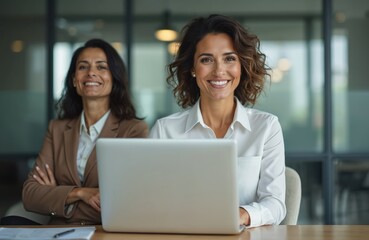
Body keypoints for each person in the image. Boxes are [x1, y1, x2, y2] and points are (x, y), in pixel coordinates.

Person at [149, 14, 286, 228]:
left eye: (229, 58)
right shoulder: (165, 130)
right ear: (193, 69)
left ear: (242, 65)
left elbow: (275, 204)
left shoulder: (266, 127)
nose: (219, 70)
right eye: (206, 59)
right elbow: (151, 200)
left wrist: (239, 215)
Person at [21, 38, 148, 225]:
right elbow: (30, 195)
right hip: (56, 234)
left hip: (104, 234)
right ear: (74, 79)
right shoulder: (57, 129)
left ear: (114, 78)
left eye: (101, 67)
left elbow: (128, 201)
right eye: (83, 67)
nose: (91, 73)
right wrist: (80, 193)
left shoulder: (133, 131)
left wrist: (58, 195)